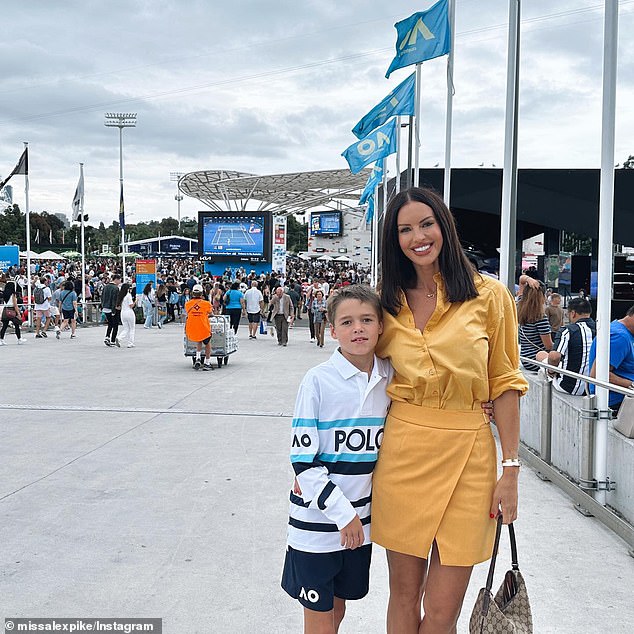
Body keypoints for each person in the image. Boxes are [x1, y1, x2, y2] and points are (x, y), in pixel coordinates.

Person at [372, 187, 528, 633]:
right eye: (405, 229)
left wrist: (510, 468)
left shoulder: (490, 295)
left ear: (444, 226)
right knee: (402, 598)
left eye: (426, 224)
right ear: (393, 239)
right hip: (403, 453)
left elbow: (505, 382)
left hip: (469, 458)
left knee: (443, 610)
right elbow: (357, 372)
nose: (418, 236)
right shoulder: (385, 301)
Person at [281, 285, 393, 634]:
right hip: (317, 526)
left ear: (381, 327)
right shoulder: (317, 381)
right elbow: (303, 461)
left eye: (366, 320)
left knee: (338, 610)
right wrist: (344, 516)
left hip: (361, 524)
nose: (357, 328)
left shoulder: (389, 376)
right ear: (332, 331)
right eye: (347, 322)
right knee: (318, 617)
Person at [536, 297, 595, 395]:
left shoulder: (567, 330)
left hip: (569, 387)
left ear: (573, 313)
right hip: (592, 388)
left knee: (541, 354)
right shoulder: (601, 329)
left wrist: (551, 372)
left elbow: (554, 357)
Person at [588, 304, 634, 415]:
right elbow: (598, 373)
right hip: (616, 401)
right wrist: (632, 385)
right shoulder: (620, 337)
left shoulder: (618, 328)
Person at [518, 282, 552, 372]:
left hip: (525, 358)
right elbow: (548, 346)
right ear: (542, 296)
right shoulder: (540, 317)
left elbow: (522, 280)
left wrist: (529, 280)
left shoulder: (521, 309)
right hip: (536, 360)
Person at [184, 284, 214, 371]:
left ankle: (198, 358)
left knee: (198, 341)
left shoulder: (188, 304)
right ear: (202, 294)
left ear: (192, 293)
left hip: (192, 326)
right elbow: (211, 313)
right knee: (207, 344)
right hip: (203, 327)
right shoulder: (206, 304)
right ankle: (207, 363)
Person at [101, 274, 121, 347]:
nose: (120, 281)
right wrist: (114, 310)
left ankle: (107, 337)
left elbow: (102, 297)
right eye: (119, 280)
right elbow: (114, 300)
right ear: (116, 279)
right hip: (112, 309)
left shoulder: (105, 287)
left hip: (105, 308)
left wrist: (102, 306)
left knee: (110, 323)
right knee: (115, 325)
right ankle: (112, 340)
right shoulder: (115, 288)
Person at [116, 283, 136, 348]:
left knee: (126, 328)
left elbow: (118, 307)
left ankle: (119, 338)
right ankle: (130, 343)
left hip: (123, 313)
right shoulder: (128, 295)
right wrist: (136, 301)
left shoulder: (120, 296)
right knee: (132, 328)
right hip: (129, 313)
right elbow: (131, 306)